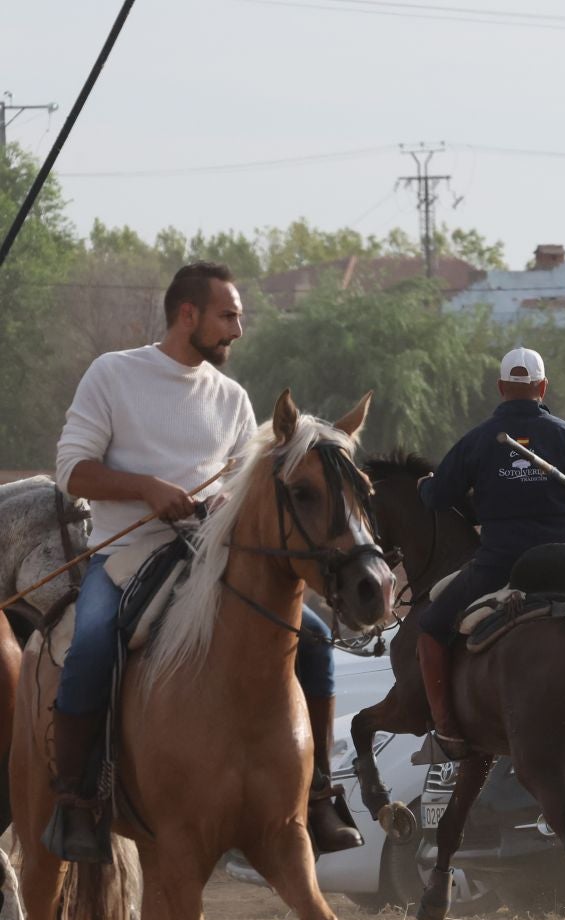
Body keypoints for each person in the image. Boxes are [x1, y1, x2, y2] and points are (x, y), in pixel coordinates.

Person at [51, 261, 362, 862]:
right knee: (90, 644)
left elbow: (244, 487)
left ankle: (318, 794)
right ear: (186, 314)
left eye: (238, 318)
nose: (237, 331)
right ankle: (77, 802)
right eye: (228, 316)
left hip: (210, 556)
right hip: (125, 554)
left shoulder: (232, 398)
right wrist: (147, 488)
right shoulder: (113, 374)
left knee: (317, 641)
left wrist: (223, 500)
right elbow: (72, 472)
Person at [414, 347, 565, 755]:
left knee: (430, 628)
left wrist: (424, 484)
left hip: (502, 562)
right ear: (542, 387)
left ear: (501, 388)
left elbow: (437, 497)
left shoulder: (478, 440)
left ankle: (446, 727)